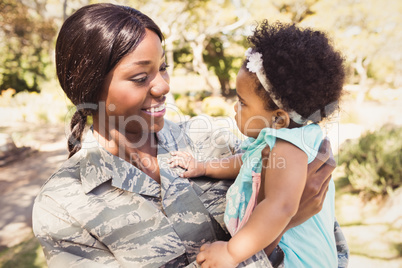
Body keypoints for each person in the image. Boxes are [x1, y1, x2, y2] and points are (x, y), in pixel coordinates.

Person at [32, 3, 348, 267]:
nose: (164, 86)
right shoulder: (63, 205)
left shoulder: (216, 139)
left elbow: (331, 247)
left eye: (164, 67)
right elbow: (289, 212)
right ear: (89, 87)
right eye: (141, 77)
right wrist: (279, 230)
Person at [169, 21, 345, 267]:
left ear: (278, 118)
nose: (234, 107)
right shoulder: (280, 140)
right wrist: (205, 167)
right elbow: (247, 162)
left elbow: (281, 206)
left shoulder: (288, 146)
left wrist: (232, 252)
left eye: (242, 102)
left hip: (297, 261)